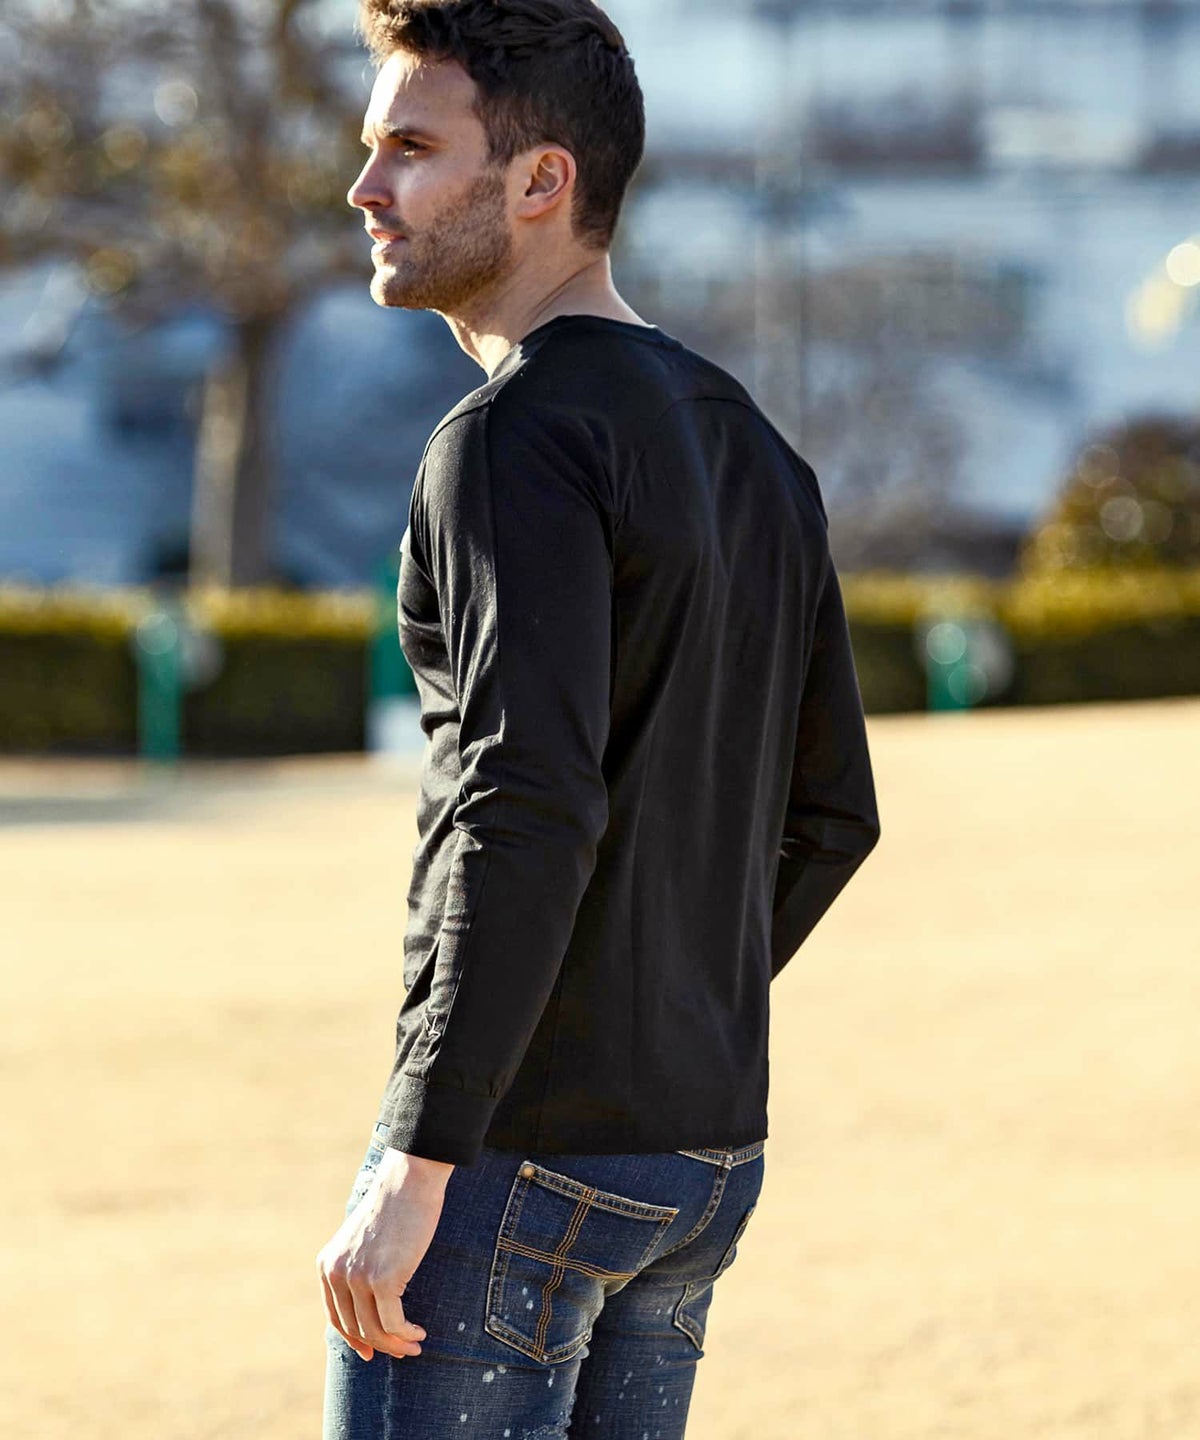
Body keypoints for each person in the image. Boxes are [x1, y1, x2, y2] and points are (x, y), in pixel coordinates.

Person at [318, 2, 881, 1435]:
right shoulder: (755, 445)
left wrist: (418, 1155)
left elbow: (525, 798)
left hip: (517, 1155)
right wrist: (668, 1006)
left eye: (410, 148)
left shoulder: (509, 439)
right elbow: (832, 816)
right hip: (700, 1153)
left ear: (541, 181)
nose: (365, 187)